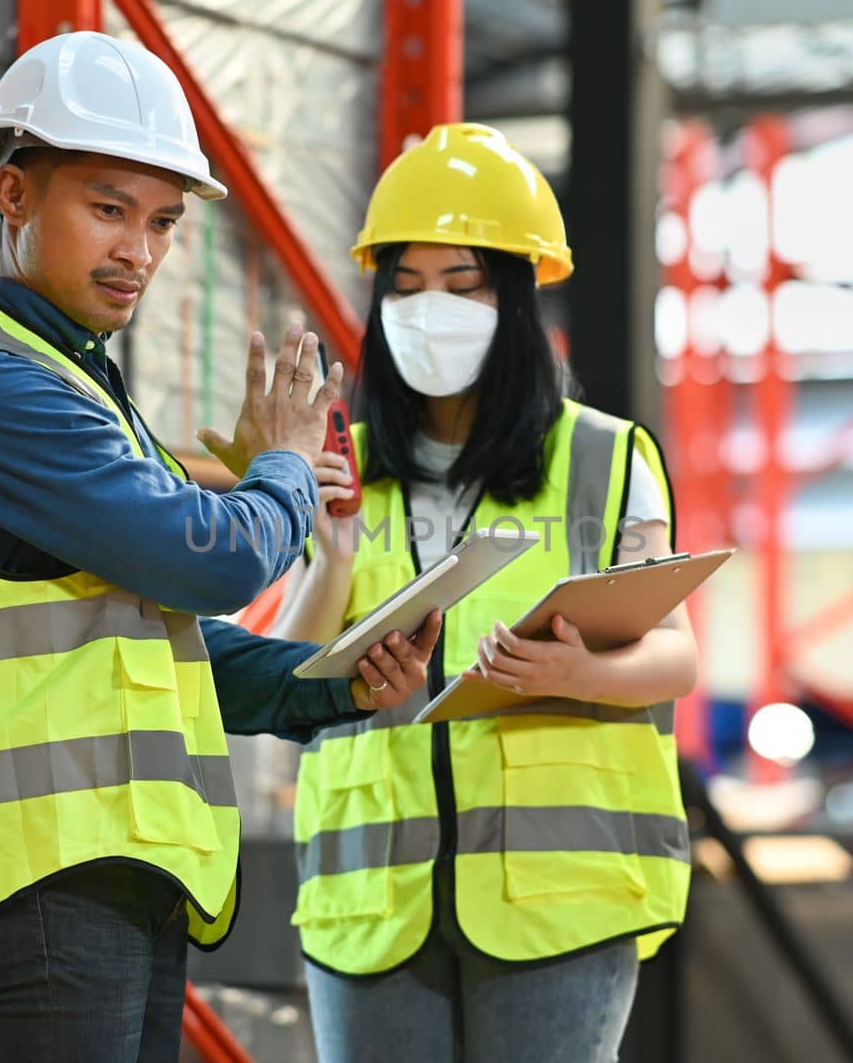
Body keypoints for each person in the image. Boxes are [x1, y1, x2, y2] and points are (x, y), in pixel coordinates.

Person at [0, 32, 440, 1063]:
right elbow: (212, 558)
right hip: (49, 875)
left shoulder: (80, 390)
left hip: (117, 872)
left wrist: (331, 684)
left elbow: (165, 647)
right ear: (12, 194)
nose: (139, 251)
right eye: (108, 209)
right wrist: (280, 467)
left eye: (163, 222)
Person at [268, 123, 698, 1063]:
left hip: (560, 899)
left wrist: (576, 670)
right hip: (372, 898)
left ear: (515, 296)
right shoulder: (343, 467)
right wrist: (332, 560)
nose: (431, 310)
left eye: (461, 286)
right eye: (407, 287)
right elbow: (284, 683)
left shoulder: (605, 456)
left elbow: (678, 654)